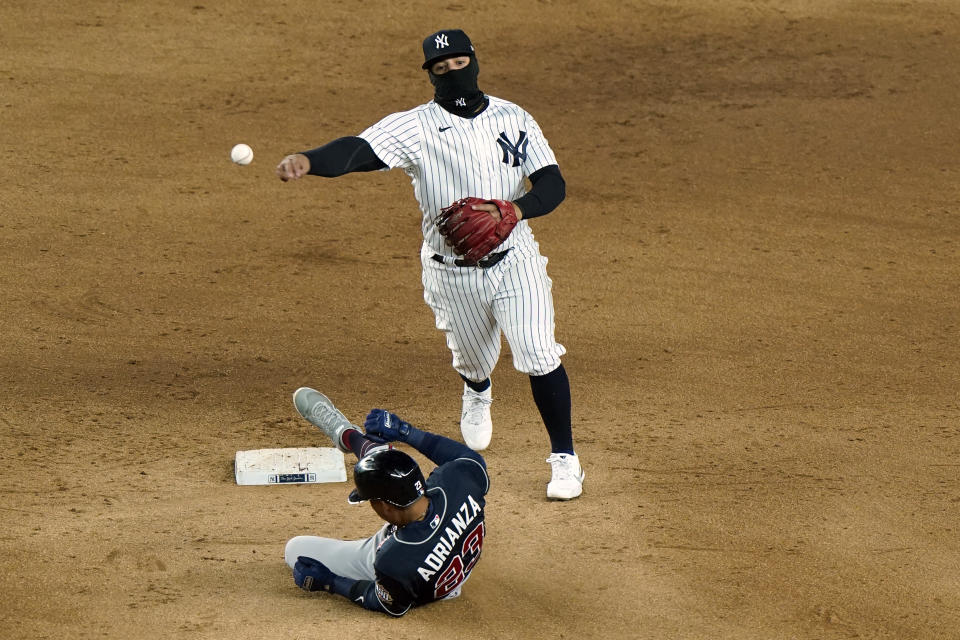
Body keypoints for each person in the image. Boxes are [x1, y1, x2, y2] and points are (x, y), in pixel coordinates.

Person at [276, 29, 584, 500]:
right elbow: (357, 151)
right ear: (431, 75)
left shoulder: (514, 117)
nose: (452, 72)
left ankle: (565, 458)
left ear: (473, 62)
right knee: (472, 359)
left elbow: (553, 184)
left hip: (515, 258)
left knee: (539, 352)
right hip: (449, 270)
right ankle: (478, 390)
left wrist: (517, 210)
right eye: (440, 68)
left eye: (459, 63)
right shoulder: (415, 126)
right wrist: (309, 160)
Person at [284, 387, 489, 616]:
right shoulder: (458, 484)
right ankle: (357, 442)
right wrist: (404, 431)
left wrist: (330, 582)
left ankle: (355, 439)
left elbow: (383, 603)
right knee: (388, 473)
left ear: (386, 507)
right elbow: (471, 459)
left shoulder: (392, 559)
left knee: (294, 550)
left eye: (371, 500)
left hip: (410, 573)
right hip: (453, 566)